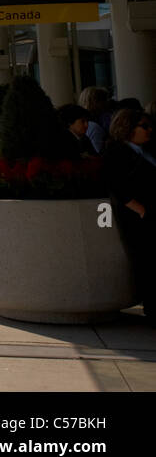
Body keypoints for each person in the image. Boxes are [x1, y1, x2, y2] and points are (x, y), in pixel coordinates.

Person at [102, 109, 156, 325]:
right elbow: (117, 186)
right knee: (149, 263)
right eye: (144, 126)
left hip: (149, 214)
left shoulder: (148, 150)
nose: (149, 130)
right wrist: (141, 210)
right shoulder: (116, 152)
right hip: (139, 219)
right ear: (128, 128)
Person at [79, 86, 111, 154]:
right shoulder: (95, 125)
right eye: (104, 100)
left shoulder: (79, 122)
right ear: (96, 102)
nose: (107, 103)